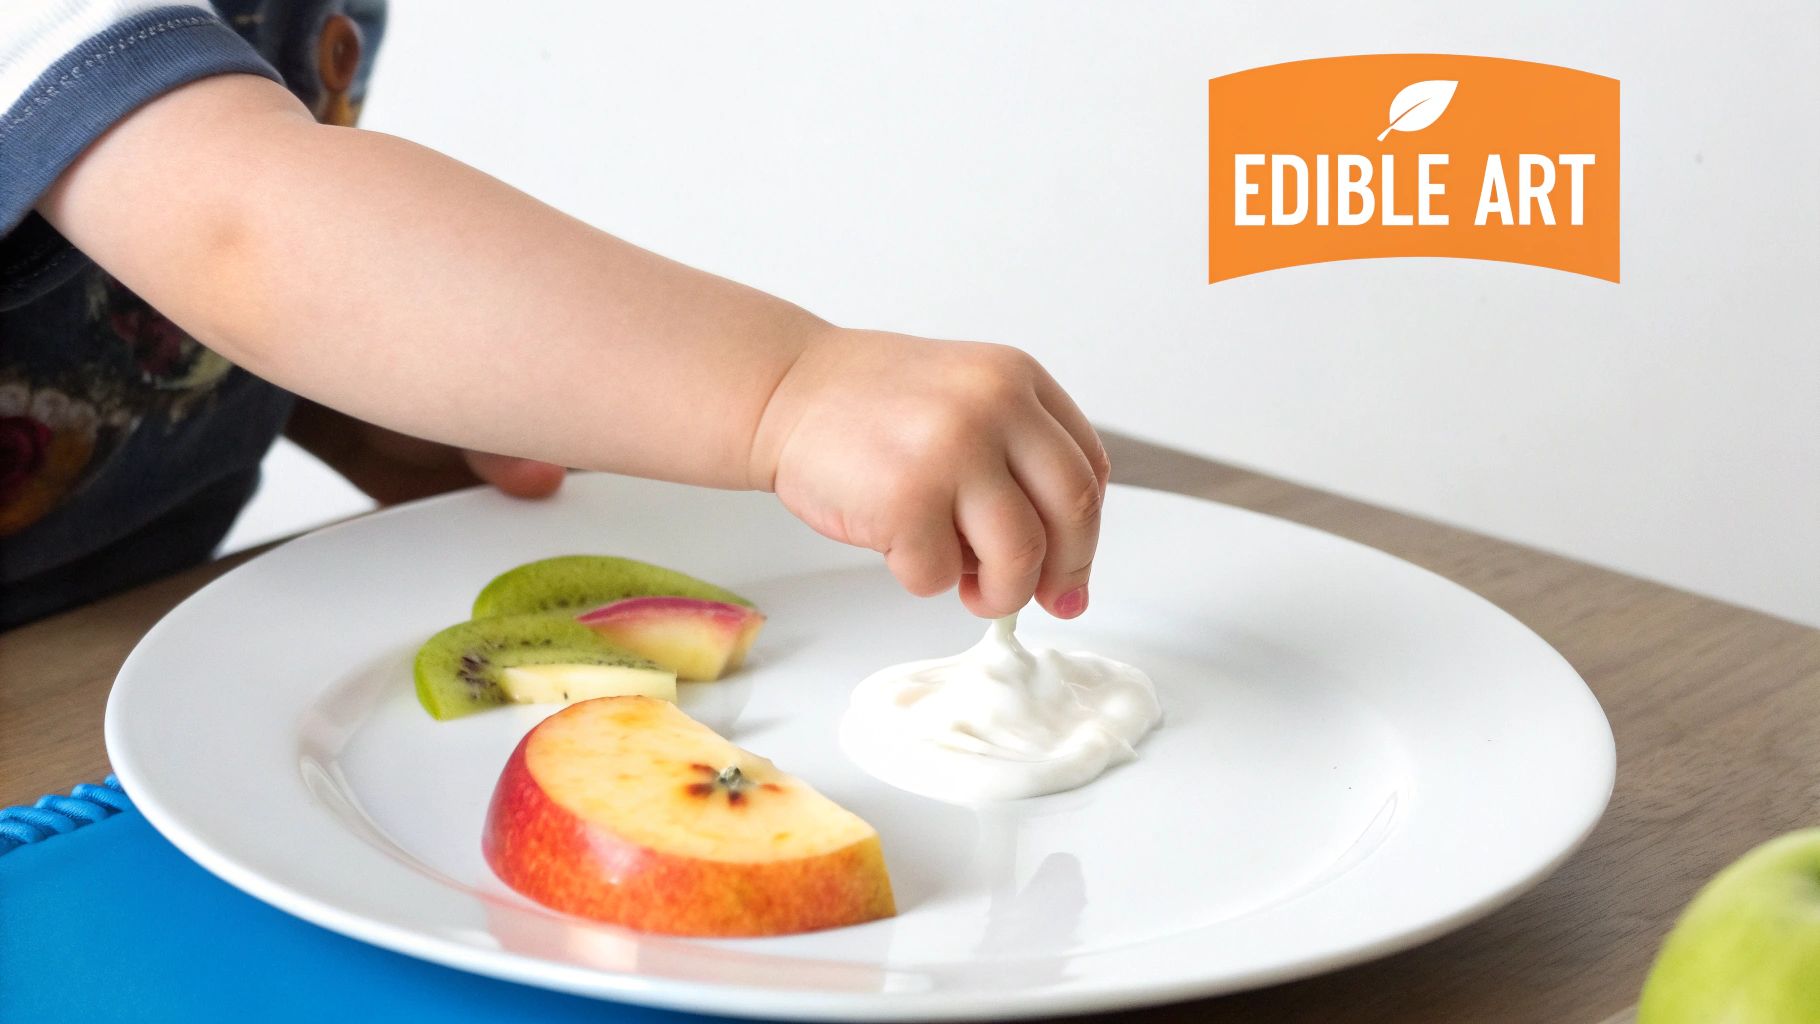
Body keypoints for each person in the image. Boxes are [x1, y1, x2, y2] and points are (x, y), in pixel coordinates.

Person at [0, 0, 1108, 629]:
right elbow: (235, 221)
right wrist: (789, 389)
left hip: (107, 622)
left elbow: (113, 214)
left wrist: (316, 391)